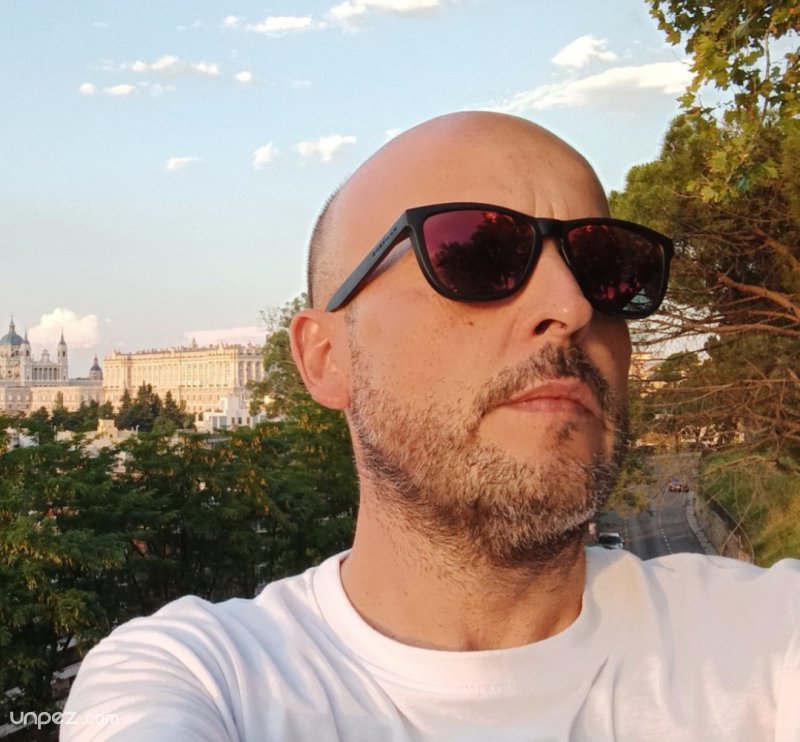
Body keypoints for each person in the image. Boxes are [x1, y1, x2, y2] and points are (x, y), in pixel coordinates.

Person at [63, 112, 800, 741]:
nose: (572, 306)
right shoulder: (196, 679)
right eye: (477, 256)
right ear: (326, 358)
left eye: (607, 266)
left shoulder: (768, 636)